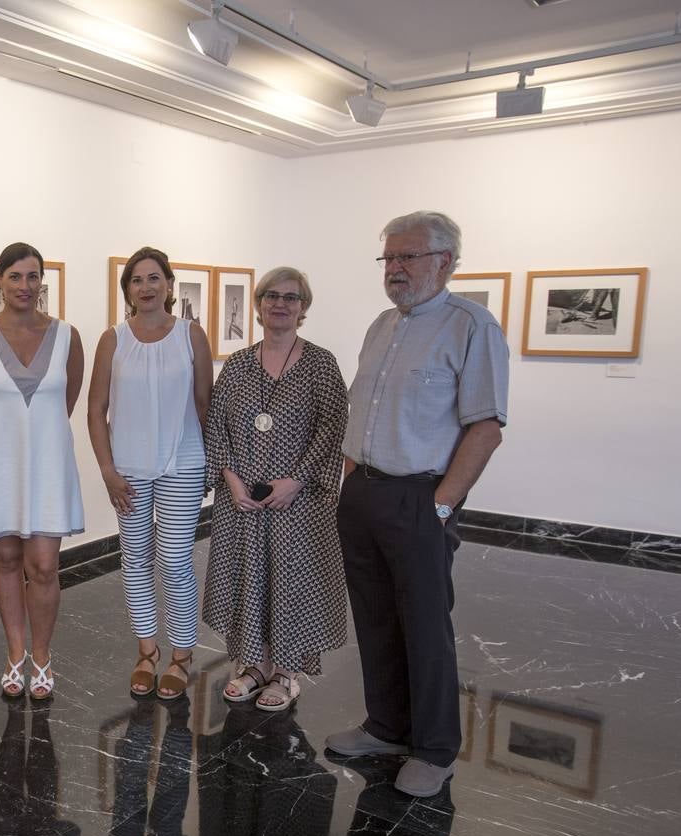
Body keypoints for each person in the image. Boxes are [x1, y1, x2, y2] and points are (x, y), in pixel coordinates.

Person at [327, 210, 509, 798]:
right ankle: (386, 727)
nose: (395, 270)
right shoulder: (382, 325)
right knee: (375, 618)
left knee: (425, 626)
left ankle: (434, 749)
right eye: (389, 258)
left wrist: (440, 505)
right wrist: (350, 481)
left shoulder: (471, 327)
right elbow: (365, 415)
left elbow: (485, 427)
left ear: (445, 262)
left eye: (407, 258)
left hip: (420, 497)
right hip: (363, 492)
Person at [202, 266, 349, 712]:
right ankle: (255, 665)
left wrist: (297, 479)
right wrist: (230, 478)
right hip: (243, 500)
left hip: (297, 502)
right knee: (251, 577)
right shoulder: (238, 364)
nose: (280, 304)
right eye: (271, 296)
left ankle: (287, 672)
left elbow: (334, 424)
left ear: (303, 308)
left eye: (291, 297)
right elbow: (217, 425)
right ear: (259, 304)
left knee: (290, 581)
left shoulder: (320, 364)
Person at [0, 242, 84, 700]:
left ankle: (43, 655)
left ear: (42, 282)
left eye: (33, 277)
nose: (25, 286)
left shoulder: (68, 336)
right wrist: (8, 442)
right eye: (15, 277)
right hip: (0, 466)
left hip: (47, 467)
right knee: (7, 560)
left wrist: (35, 438)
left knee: (45, 566)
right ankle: (15, 654)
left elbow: (64, 404)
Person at [87, 247, 211, 701]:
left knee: (176, 560)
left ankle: (182, 653)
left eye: (154, 278)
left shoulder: (191, 335)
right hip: (128, 472)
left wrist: (211, 464)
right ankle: (146, 651)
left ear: (169, 285)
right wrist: (107, 470)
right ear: (127, 290)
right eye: (136, 280)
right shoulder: (112, 340)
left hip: (183, 464)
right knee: (135, 560)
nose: (146, 287)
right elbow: (96, 410)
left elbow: (204, 405)